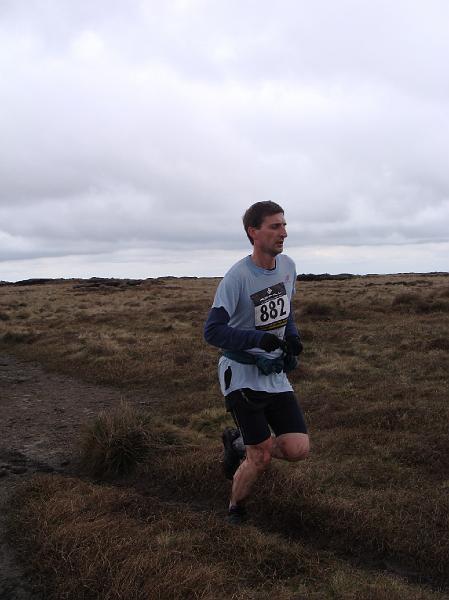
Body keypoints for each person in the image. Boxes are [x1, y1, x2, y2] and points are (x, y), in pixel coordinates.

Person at [204, 201, 309, 524]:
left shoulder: (288, 266)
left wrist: (291, 338)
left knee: (297, 448)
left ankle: (237, 442)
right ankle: (236, 509)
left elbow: (284, 309)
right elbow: (213, 331)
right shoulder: (237, 277)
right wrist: (256, 340)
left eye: (284, 225)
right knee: (260, 454)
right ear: (254, 232)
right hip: (241, 373)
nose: (284, 233)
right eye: (275, 226)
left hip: (273, 373)